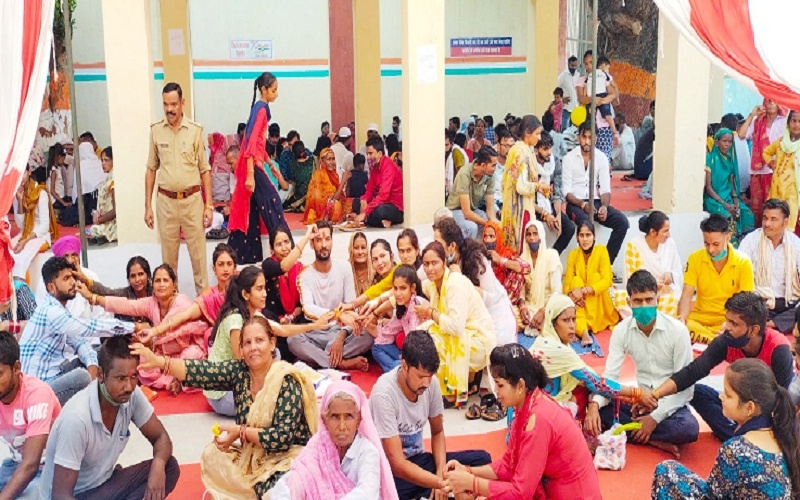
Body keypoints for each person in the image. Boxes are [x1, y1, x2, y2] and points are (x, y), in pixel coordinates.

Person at [133, 316, 317, 497]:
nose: (253, 348)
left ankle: (258, 490)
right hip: (253, 457)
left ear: (272, 343)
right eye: (247, 343)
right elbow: (201, 372)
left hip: (287, 457)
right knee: (213, 456)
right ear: (241, 349)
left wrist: (240, 432)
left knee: (282, 484)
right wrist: (159, 362)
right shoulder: (240, 372)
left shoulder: (286, 380)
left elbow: (282, 439)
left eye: (259, 340)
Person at [445, 344, 603, 499]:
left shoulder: (538, 418)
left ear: (520, 385)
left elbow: (520, 492)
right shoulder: (527, 405)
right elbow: (508, 464)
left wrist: (472, 483)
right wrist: (468, 472)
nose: (496, 392)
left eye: (500, 385)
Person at [38, 337, 179, 499]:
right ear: (100, 375)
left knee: (169, 467)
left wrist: (158, 465)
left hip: (104, 484)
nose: (129, 386)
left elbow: (161, 437)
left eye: (133, 377)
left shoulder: (131, 395)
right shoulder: (77, 419)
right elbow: (60, 496)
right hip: (77, 495)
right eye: (121, 378)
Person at [649, 292, 792, 442]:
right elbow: (693, 371)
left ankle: (745, 438)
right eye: (727, 321)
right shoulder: (726, 341)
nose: (726, 327)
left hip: (766, 409)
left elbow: (782, 402)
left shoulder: (779, 349)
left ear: (753, 330)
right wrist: (656, 394)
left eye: (734, 324)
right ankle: (736, 438)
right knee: (696, 392)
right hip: (741, 404)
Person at [652, 358, 800, 499]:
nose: (721, 396)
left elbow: (711, 495)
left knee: (666, 471)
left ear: (749, 407)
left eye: (728, 395)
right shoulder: (784, 434)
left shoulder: (736, 449)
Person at [369, 331, 491, 499]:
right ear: (404, 366)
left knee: (482, 459)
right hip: (391, 471)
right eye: (420, 376)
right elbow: (397, 464)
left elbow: (437, 432)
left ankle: (436, 492)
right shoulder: (383, 394)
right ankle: (445, 492)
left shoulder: (431, 384)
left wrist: (441, 475)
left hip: (421, 462)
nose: (426, 383)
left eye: (430, 376)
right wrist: (439, 484)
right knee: (385, 491)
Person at [590, 270, 699, 457]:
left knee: (689, 428)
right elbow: (610, 378)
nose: (644, 306)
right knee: (599, 411)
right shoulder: (621, 331)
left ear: (658, 299)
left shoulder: (677, 332)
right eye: (638, 301)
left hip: (669, 404)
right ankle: (656, 440)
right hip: (638, 402)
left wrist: (654, 419)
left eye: (649, 300)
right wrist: (594, 405)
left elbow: (686, 389)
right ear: (628, 302)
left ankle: (641, 432)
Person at [20, 257, 135, 406]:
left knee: (103, 351)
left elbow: (79, 340)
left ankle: (102, 396)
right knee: (81, 377)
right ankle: (98, 401)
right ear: (51, 288)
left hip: (57, 373)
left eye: (72, 277)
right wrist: (132, 327)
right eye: (66, 278)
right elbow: (90, 327)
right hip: (38, 391)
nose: (73, 282)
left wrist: (92, 365)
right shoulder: (51, 312)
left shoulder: (59, 309)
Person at [84, 264, 207, 395]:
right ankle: (172, 382)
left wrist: (151, 341)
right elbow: (127, 305)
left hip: (185, 351)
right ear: (152, 285)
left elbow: (177, 336)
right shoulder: (152, 303)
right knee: (141, 361)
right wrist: (94, 299)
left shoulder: (182, 302)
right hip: (163, 355)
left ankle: (178, 379)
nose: (161, 284)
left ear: (174, 284)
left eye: (165, 280)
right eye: (158, 281)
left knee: (191, 356)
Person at [530, 294, 651, 421]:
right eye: (565, 320)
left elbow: (590, 379)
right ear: (553, 324)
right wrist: (637, 394)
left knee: (584, 389)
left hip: (537, 407)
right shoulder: (556, 350)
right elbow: (597, 383)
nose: (572, 326)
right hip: (537, 415)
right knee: (598, 392)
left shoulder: (545, 342)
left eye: (574, 319)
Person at [270, 381, 398, 499]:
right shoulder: (317, 447)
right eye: (335, 417)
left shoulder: (367, 452)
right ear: (325, 420)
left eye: (348, 417)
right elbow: (294, 480)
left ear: (358, 420)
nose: (342, 426)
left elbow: (367, 493)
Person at [144, 82, 213, 294]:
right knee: (168, 261)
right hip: (165, 203)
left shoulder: (195, 131)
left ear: (182, 103)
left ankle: (205, 309)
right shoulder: (156, 131)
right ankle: (170, 309)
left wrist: (209, 205)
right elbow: (151, 169)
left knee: (199, 259)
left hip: (192, 201)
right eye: (165, 104)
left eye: (174, 104)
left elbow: (205, 170)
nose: (169, 109)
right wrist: (148, 207)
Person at [416, 242, 495, 406]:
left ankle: (452, 392)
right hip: (464, 337)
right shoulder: (433, 284)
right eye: (426, 264)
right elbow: (409, 287)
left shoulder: (454, 285)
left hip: (479, 341)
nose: (430, 268)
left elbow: (456, 328)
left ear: (444, 263)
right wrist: (376, 303)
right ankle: (466, 380)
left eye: (434, 263)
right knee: (423, 331)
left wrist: (430, 312)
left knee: (431, 339)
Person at [289, 221, 373, 371]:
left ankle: (319, 359)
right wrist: (337, 315)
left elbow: (351, 307)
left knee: (369, 334)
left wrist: (341, 337)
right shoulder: (304, 276)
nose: (324, 245)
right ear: (312, 244)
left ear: (332, 241)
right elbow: (308, 309)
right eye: (319, 240)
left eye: (327, 239)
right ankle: (341, 362)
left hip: (341, 331)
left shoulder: (344, 268)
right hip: (316, 331)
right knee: (293, 339)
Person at [228, 73, 293, 264]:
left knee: (253, 210)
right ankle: (286, 250)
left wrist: (271, 164)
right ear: (264, 90)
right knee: (273, 202)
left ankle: (245, 258)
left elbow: (257, 143)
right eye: (274, 90)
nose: (276, 94)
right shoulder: (262, 109)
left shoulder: (259, 109)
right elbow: (249, 144)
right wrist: (250, 175)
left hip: (255, 165)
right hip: (252, 167)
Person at [433, 218, 515, 346]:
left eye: (438, 244)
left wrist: (461, 281)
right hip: (469, 318)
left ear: (452, 246)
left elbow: (491, 298)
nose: (435, 247)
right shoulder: (441, 261)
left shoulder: (476, 259)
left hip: (495, 318)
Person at [136, 244, 236, 345]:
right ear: (214, 268)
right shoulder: (209, 296)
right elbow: (185, 315)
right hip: (218, 344)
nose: (225, 269)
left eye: (229, 264)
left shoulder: (243, 291)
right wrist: (154, 331)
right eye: (221, 264)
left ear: (235, 267)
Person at [0, 332, 60, 498]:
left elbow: (31, 464)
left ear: (17, 368)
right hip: (14, 464)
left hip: (49, 469)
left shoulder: (37, 394)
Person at [679, 214, 755, 344]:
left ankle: (710, 339)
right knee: (681, 327)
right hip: (700, 318)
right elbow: (686, 295)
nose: (711, 250)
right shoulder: (695, 259)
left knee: (743, 329)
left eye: (716, 244)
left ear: (728, 238)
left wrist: (729, 324)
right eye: (706, 244)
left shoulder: (743, 262)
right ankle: (716, 341)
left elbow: (746, 302)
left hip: (727, 319)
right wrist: (682, 319)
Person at [563, 120, 630, 266]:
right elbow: (566, 192)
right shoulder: (569, 158)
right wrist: (582, 204)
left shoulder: (601, 158)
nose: (587, 141)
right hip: (576, 203)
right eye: (583, 137)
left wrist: (604, 207)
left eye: (590, 137)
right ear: (578, 137)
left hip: (596, 201)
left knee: (622, 222)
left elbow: (605, 189)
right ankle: (585, 265)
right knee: (585, 224)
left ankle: (605, 264)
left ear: (596, 138)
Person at [739, 199, 800, 333]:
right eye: (765, 218)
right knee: (744, 307)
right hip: (760, 303)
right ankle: (774, 323)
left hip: (788, 303)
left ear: (785, 222)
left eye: (773, 219)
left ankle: (769, 324)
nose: (767, 223)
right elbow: (738, 272)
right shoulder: (750, 241)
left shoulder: (796, 244)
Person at [615, 211, 683, 316]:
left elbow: (678, 271)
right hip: (642, 296)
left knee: (679, 300)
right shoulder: (634, 245)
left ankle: (647, 316)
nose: (668, 235)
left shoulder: (670, 244)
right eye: (665, 231)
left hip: (665, 296)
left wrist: (671, 275)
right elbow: (630, 279)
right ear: (652, 232)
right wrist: (652, 285)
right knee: (619, 298)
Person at [564, 221, 619, 348]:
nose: (585, 239)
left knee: (596, 277)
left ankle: (586, 325)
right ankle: (584, 331)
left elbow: (606, 280)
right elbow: (566, 284)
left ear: (594, 237)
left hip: (600, 303)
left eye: (588, 235)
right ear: (577, 238)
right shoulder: (573, 254)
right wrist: (572, 295)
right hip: (579, 302)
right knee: (575, 281)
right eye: (581, 235)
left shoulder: (602, 251)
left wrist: (583, 291)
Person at [500, 114, 546, 253]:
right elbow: (521, 186)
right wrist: (538, 186)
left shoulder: (519, 149)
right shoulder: (522, 152)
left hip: (515, 206)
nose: (539, 138)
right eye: (537, 133)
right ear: (527, 133)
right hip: (520, 209)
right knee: (521, 250)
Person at [370, 265, 428, 373]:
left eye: (403, 288)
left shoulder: (417, 305)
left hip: (421, 356)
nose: (398, 293)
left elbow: (416, 343)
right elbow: (389, 330)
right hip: (408, 353)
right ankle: (398, 369)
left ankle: (399, 370)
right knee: (377, 347)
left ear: (413, 288)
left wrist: (406, 358)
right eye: (395, 288)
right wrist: (371, 326)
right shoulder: (403, 307)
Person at [34, 235, 108, 321]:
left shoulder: (90, 276)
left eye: (74, 255)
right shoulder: (46, 281)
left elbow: (101, 314)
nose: (70, 260)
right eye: (65, 256)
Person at [739, 99, 787, 225]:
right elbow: (741, 134)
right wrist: (752, 115)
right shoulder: (757, 121)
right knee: (757, 209)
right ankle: (759, 236)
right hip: (757, 170)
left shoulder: (783, 122)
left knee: (773, 207)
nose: (771, 104)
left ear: (778, 104)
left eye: (774, 101)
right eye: (768, 101)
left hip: (775, 170)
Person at [704, 127, 755, 243]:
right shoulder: (710, 158)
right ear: (717, 142)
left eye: (730, 142)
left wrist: (736, 202)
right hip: (714, 199)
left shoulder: (730, 160)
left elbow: (732, 186)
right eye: (724, 141)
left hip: (728, 197)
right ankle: (731, 245)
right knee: (727, 216)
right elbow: (709, 187)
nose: (727, 144)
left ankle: (745, 244)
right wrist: (725, 204)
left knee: (747, 213)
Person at [262, 225, 316, 325]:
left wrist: (292, 317)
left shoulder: (299, 268)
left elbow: (302, 302)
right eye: (279, 244)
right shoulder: (268, 265)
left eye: (286, 242)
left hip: (295, 319)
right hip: (274, 321)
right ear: (271, 248)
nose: (284, 248)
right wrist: (306, 237)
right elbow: (284, 267)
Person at [10, 166, 57, 280]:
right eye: (18, 175)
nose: (20, 178)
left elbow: (44, 226)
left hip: (40, 235)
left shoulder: (40, 193)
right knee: (8, 252)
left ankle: (22, 290)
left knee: (21, 258)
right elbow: (21, 225)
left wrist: (25, 241)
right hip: (25, 232)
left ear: (29, 172)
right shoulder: (17, 193)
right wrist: (20, 201)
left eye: (23, 173)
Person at [76, 256, 153, 324]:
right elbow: (105, 291)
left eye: (140, 274)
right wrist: (84, 279)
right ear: (128, 279)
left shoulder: (155, 294)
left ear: (148, 275)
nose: (137, 279)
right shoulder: (124, 294)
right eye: (133, 276)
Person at [533, 131, 575, 254]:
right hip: (532, 206)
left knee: (569, 228)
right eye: (545, 149)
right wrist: (546, 215)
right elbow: (527, 199)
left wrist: (557, 215)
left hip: (548, 203)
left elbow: (557, 191)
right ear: (536, 150)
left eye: (550, 148)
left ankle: (552, 257)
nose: (549, 152)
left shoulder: (554, 162)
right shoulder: (529, 164)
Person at [445, 145, 498, 240]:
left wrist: (494, 223)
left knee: (488, 224)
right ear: (483, 165)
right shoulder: (465, 173)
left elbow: (490, 209)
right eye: (493, 165)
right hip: (456, 210)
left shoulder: (490, 175)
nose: (495, 168)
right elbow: (466, 212)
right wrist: (487, 223)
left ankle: (482, 251)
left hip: (473, 209)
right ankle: (469, 253)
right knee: (471, 227)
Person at [519, 220, 563, 336]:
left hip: (549, 305)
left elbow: (557, 291)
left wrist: (543, 311)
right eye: (528, 234)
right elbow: (521, 290)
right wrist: (523, 306)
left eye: (535, 234)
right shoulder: (522, 259)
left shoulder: (551, 256)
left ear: (541, 236)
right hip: (530, 306)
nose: (532, 238)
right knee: (510, 316)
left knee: (559, 321)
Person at [576, 50, 618, 161]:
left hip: (604, 126)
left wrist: (601, 101)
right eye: (586, 63)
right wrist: (594, 99)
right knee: (589, 161)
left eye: (591, 62)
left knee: (604, 160)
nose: (588, 66)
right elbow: (581, 99)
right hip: (589, 127)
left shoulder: (602, 77)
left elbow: (612, 94)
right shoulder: (582, 80)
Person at [353, 136, 404, 228]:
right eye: (367, 154)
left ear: (380, 153)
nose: (368, 157)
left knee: (380, 211)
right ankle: (378, 221)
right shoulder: (374, 167)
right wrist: (364, 201)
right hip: (380, 202)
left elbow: (383, 196)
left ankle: (368, 219)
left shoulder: (388, 167)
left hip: (394, 207)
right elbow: (369, 190)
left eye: (370, 153)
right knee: (356, 203)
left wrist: (365, 212)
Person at [765, 110, 800, 234]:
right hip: (776, 188)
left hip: (792, 192)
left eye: (799, 121)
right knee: (772, 220)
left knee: (788, 225)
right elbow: (766, 152)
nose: (797, 124)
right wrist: (771, 163)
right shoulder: (780, 142)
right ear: (788, 122)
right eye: (794, 120)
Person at [482, 221, 530, 310]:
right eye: (485, 236)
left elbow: (527, 268)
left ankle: (504, 306)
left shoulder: (505, 253)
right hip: (485, 296)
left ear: (498, 238)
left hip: (503, 297)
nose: (488, 240)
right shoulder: (479, 254)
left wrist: (501, 260)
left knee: (518, 274)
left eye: (492, 236)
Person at [87, 146, 117, 244]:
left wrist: (100, 220)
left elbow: (115, 210)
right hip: (106, 219)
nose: (103, 163)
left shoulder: (113, 180)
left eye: (106, 160)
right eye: (102, 160)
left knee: (94, 229)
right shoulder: (109, 177)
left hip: (113, 222)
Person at [303, 147, 340, 224]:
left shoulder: (334, 175)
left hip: (331, 204)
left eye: (333, 159)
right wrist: (344, 181)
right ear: (322, 161)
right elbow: (319, 200)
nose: (332, 162)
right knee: (336, 205)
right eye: (329, 159)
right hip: (320, 210)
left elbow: (340, 196)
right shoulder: (318, 175)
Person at [209, 131, 233, 203]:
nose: (209, 146)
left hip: (223, 200)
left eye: (211, 143)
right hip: (219, 199)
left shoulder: (226, 159)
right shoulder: (217, 157)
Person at [349, 232, 374, 297]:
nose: (360, 252)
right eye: (356, 248)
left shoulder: (375, 270)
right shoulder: (346, 271)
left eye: (363, 248)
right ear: (351, 250)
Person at [444, 129, 467, 198]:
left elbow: (460, 173)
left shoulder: (456, 152)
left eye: (446, 145)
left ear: (451, 143)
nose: (444, 148)